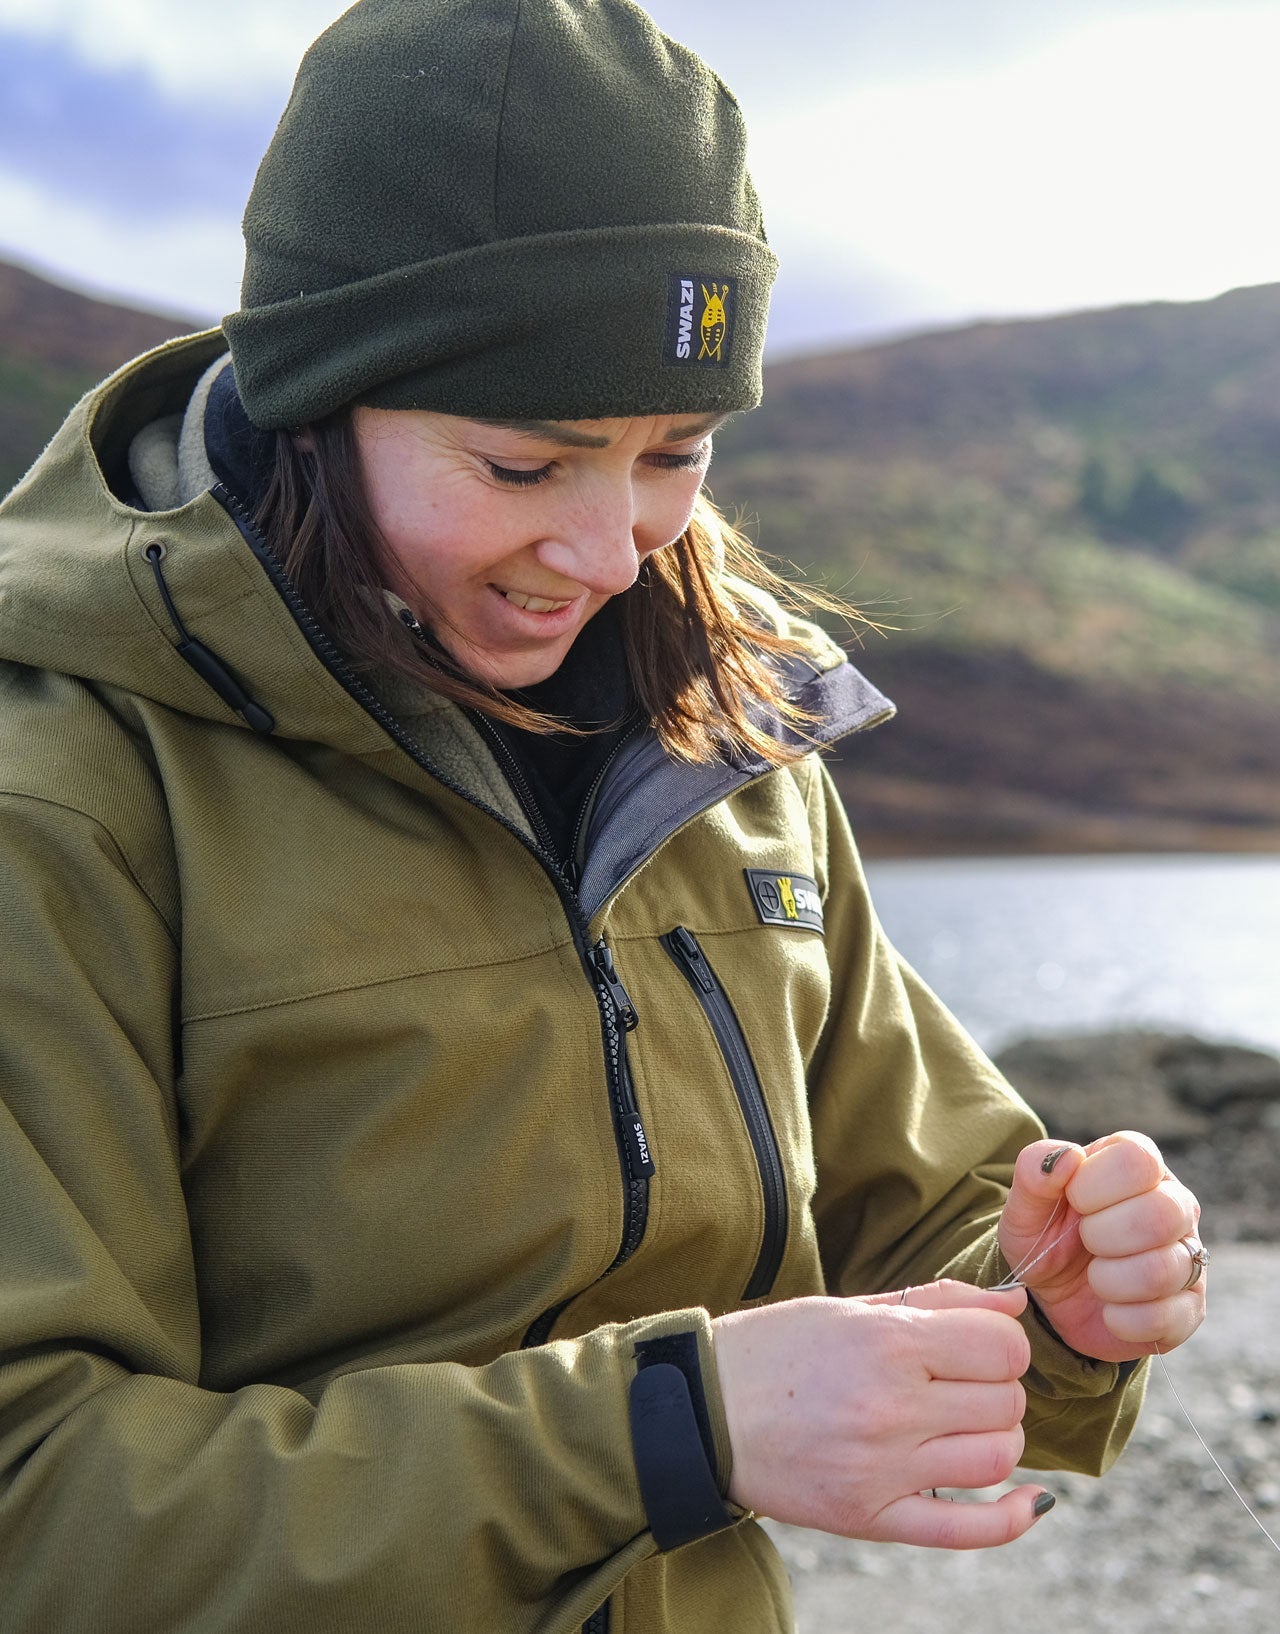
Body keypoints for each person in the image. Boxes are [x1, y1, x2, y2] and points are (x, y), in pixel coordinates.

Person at [0, 2, 1205, 1630]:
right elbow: (40, 1502)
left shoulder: (727, 744)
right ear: (317, 394)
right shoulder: (59, 799)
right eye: (519, 465)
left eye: (675, 453)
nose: (609, 548)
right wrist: (668, 1427)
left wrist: (1059, 1302)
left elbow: (937, 1210)